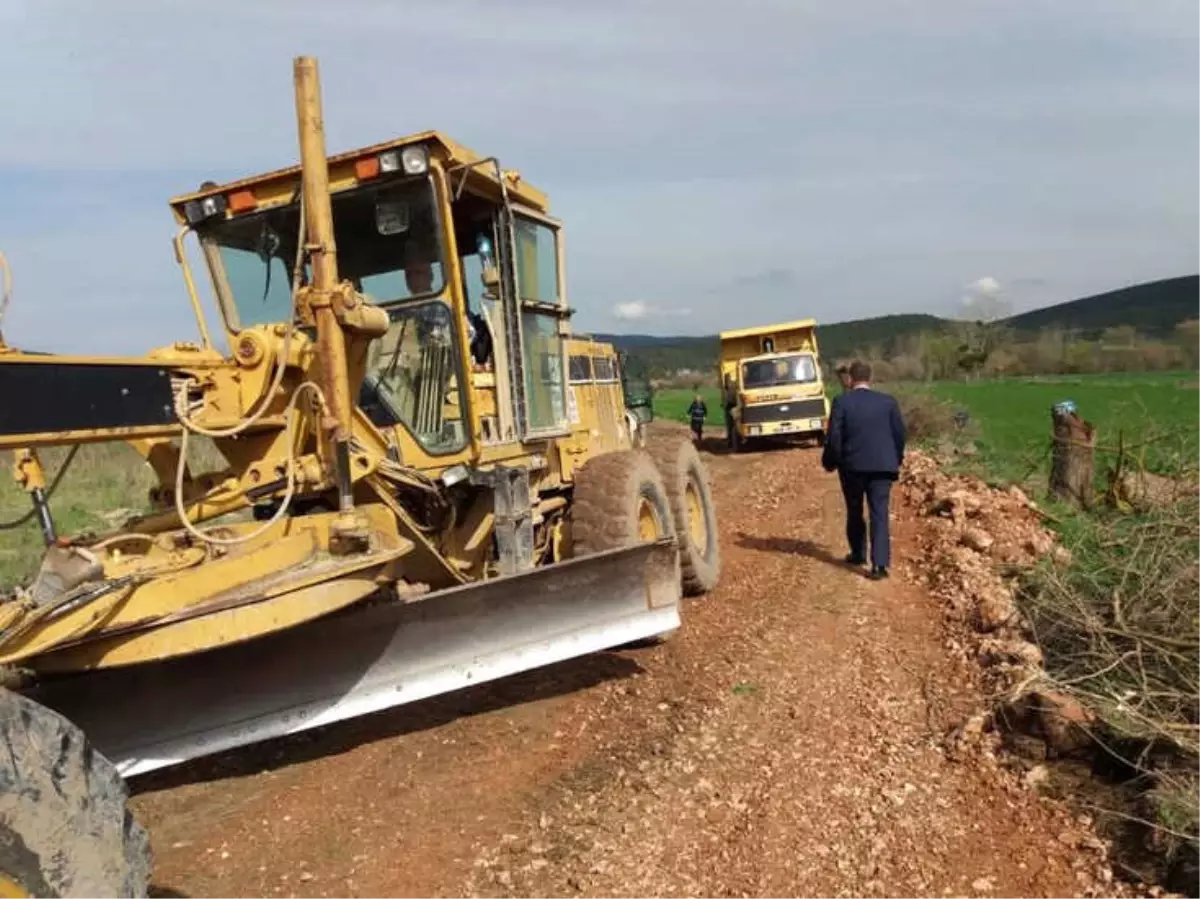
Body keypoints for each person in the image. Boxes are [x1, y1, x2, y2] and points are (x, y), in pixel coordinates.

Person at [821, 360, 906, 580]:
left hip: (852, 467)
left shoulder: (842, 402)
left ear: (850, 379)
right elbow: (899, 434)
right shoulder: (888, 402)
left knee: (855, 509)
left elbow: (835, 437)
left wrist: (832, 461)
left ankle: (859, 553)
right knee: (879, 512)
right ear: (870, 378)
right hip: (882, 467)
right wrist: (895, 459)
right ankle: (880, 565)